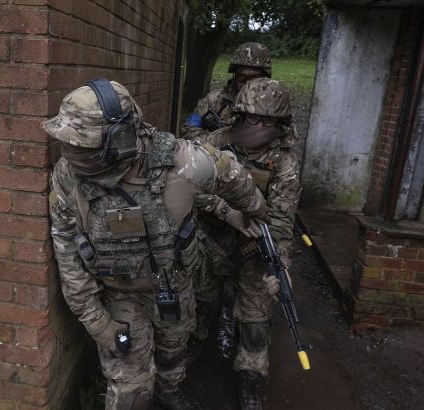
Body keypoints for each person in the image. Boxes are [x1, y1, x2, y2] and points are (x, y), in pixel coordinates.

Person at [45, 78, 268, 410]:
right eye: (69, 144)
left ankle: (169, 388)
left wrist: (252, 211)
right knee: (131, 392)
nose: (71, 154)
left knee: (173, 348)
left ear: (119, 139)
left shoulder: (185, 163)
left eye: (83, 146)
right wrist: (98, 322)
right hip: (119, 294)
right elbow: (67, 255)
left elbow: (232, 176)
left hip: (173, 282)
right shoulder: (67, 177)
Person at [191, 77, 301, 410]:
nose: (257, 126)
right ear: (239, 115)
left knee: (255, 321)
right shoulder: (215, 143)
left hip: (254, 250)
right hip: (209, 240)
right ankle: (183, 360)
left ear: (279, 125)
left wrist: (279, 264)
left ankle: (251, 381)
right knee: (195, 305)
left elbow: (282, 220)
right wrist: (225, 211)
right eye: (251, 117)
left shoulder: (284, 163)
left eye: (267, 120)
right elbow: (186, 188)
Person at [182, 42, 272, 140]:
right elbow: (189, 129)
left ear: (264, 78)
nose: (248, 84)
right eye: (242, 78)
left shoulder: (275, 104)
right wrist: (215, 144)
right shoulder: (213, 100)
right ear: (235, 76)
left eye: (254, 78)